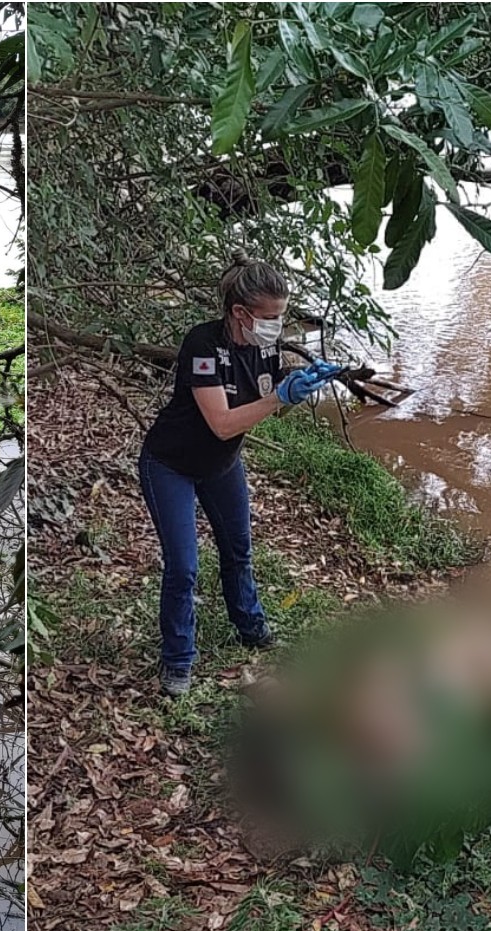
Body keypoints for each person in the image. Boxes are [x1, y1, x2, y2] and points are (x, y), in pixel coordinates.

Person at [138, 256, 341, 696]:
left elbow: (268, 392)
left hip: (222, 466)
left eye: (281, 316)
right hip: (170, 465)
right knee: (184, 567)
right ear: (239, 313)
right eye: (270, 317)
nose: (276, 326)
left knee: (238, 549)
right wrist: (279, 398)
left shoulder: (264, 348)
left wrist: (300, 385)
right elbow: (224, 423)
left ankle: (250, 626)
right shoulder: (202, 345)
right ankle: (178, 660)